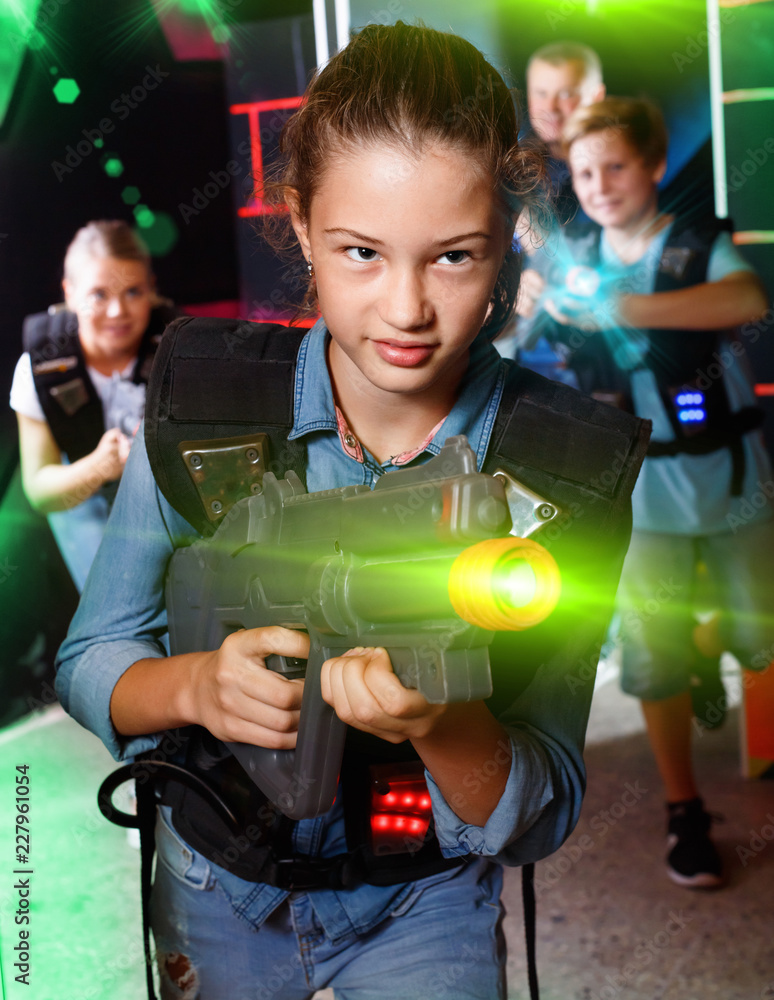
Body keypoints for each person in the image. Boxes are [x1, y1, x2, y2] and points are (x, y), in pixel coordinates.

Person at [56, 25, 648, 999]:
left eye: (454, 256)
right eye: (362, 252)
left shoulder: (563, 469)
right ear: (299, 220)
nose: (407, 308)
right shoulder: (209, 410)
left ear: (510, 237)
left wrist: (446, 721)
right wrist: (197, 687)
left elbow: (545, 806)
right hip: (217, 880)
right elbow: (91, 657)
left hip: (424, 893)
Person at [528, 95, 773, 888]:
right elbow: (517, 345)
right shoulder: (568, 267)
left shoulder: (695, 245)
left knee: (762, 635)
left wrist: (623, 308)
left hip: (729, 479)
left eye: (617, 167)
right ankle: (684, 811)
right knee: (654, 655)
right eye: (584, 171)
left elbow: (746, 301)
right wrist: (536, 309)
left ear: (655, 166)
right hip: (635, 495)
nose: (599, 185)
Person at [9, 220, 175, 591]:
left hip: (166, 487)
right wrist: (100, 467)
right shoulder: (40, 367)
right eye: (99, 295)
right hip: (84, 494)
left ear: (151, 290)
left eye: (133, 292)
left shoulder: (179, 344)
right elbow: (39, 489)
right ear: (70, 294)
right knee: (118, 596)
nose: (117, 311)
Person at [498, 41, 605, 380]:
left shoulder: (622, 165)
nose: (552, 109)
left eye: (567, 94)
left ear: (596, 96)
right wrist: (509, 290)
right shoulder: (504, 164)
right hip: (523, 350)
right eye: (541, 93)